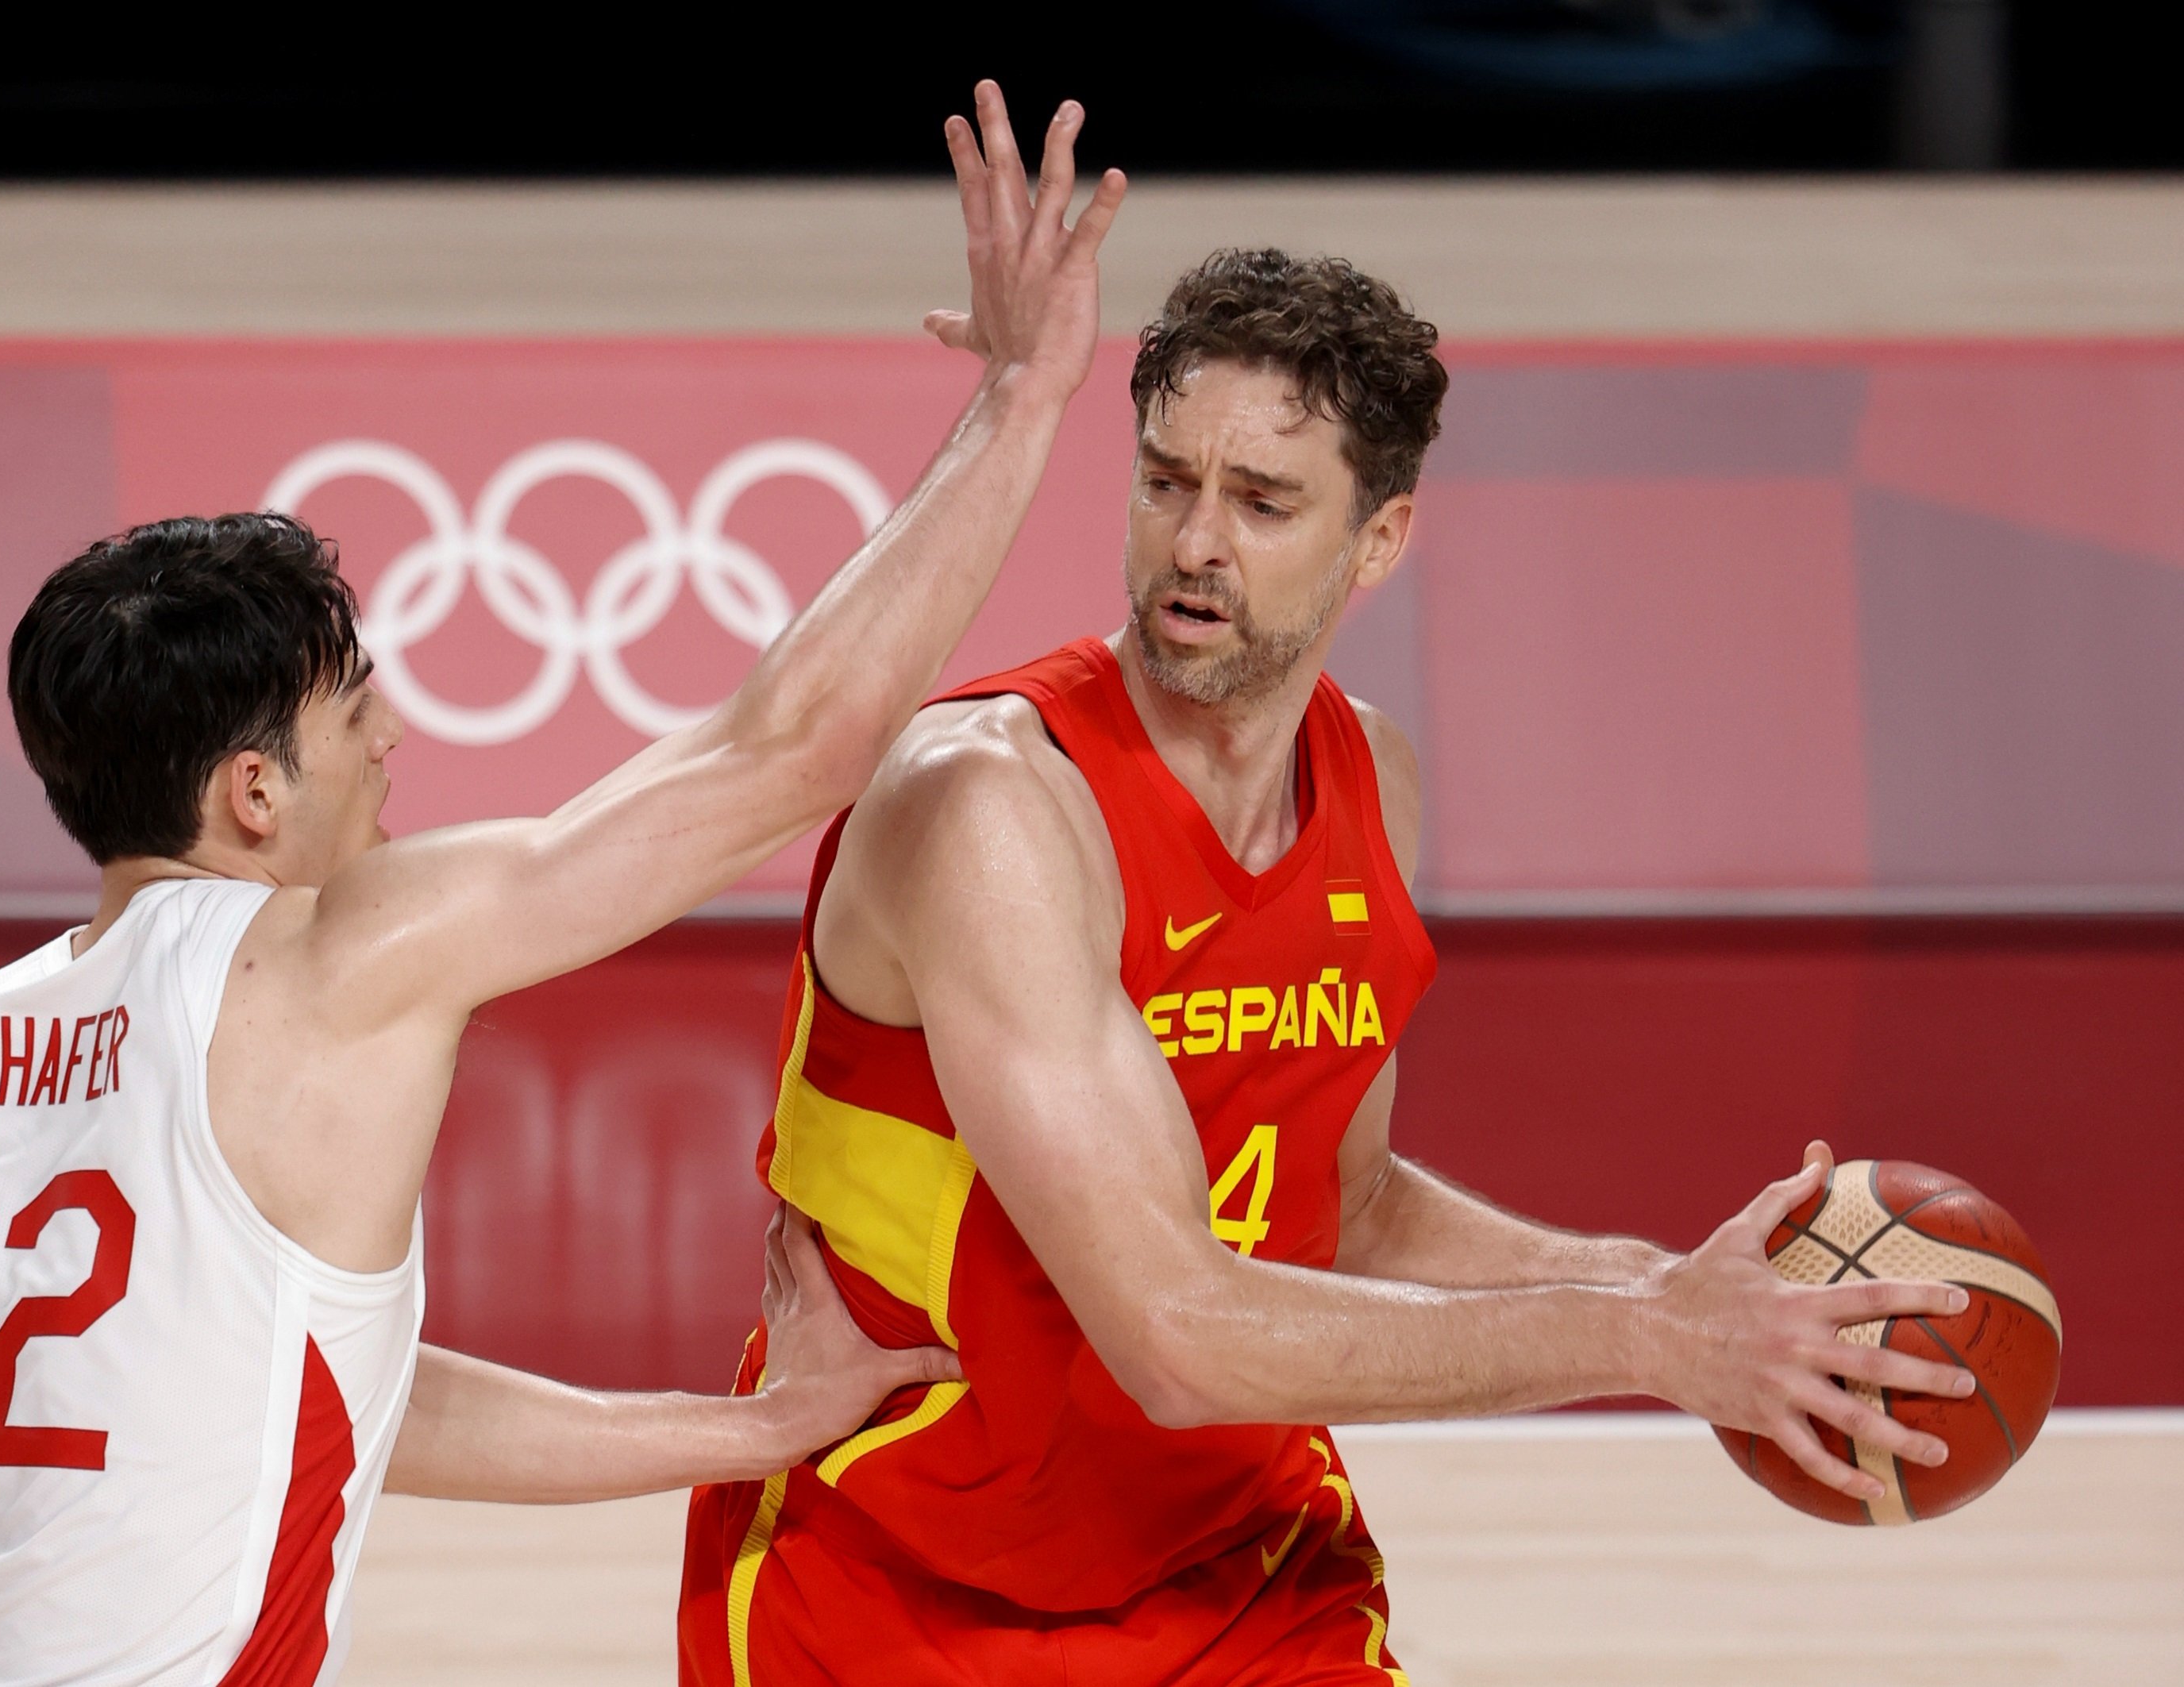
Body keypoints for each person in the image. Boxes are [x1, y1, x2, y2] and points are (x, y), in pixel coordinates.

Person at [0, 83, 1125, 1687]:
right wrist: (1022, 394)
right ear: (252, 794)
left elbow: (311, 1384)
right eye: (353, 711)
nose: (394, 741)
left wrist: (747, 1431)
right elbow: (792, 756)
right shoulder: (317, 961)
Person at [680, 248, 1978, 1685]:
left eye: (1263, 501)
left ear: (1380, 538)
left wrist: (1677, 1291)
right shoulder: (991, 803)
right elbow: (1175, 1331)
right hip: (904, 1588)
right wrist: (1648, 1336)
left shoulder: (1373, 783)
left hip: (1246, 1573)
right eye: (1167, 480)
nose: (1195, 544)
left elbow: (1339, 1207)